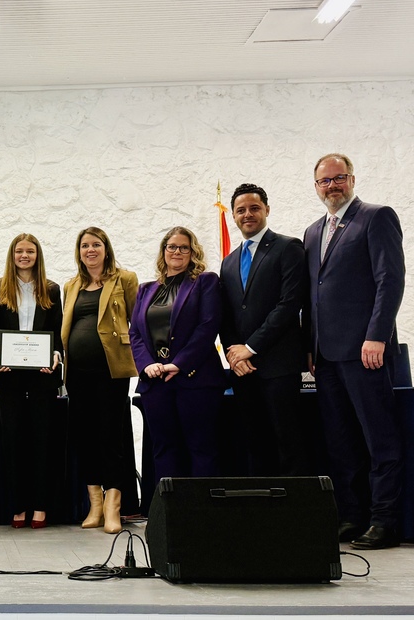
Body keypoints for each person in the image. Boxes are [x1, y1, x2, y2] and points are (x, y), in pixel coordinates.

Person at [303, 153, 405, 550]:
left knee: (379, 439)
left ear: (352, 179)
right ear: (316, 187)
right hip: (325, 357)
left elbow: (389, 280)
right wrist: (308, 348)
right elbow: (313, 296)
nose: (332, 185)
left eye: (339, 178)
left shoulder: (376, 217)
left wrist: (377, 335)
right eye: (325, 181)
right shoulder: (313, 232)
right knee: (341, 442)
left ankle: (384, 521)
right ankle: (352, 516)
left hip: (366, 352)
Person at [219, 183, 307, 477]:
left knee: (289, 444)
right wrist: (235, 355)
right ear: (233, 215)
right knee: (255, 444)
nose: (248, 214)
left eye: (254, 208)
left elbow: (288, 304)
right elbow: (227, 315)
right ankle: (262, 516)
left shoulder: (288, 247)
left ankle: (293, 516)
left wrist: (251, 347)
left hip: (278, 367)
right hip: (243, 371)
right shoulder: (228, 263)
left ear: (267, 210)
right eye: (241, 210)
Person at [130, 227, 225, 494]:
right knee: (164, 449)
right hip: (156, 382)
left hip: (195, 381)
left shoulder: (205, 282)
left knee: (201, 448)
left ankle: (203, 516)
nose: (177, 252)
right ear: (163, 252)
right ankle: (170, 517)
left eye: (184, 247)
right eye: (171, 247)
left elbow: (207, 327)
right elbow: (135, 332)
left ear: (193, 252)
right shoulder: (145, 289)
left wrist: (179, 363)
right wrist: (146, 364)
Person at [61, 227, 138, 534]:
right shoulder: (72, 285)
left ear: (106, 248)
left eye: (96, 245)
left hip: (111, 371)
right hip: (77, 372)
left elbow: (138, 322)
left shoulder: (125, 280)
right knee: (86, 437)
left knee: (111, 436)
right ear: (79, 252)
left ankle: (113, 506)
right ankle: (94, 503)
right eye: (84, 246)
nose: (90, 250)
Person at [0, 234, 63, 529]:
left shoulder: (52, 289)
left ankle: (41, 506)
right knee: (13, 440)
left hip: (43, 375)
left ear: (37, 255)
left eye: (30, 251)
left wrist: (56, 354)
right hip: (9, 374)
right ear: (12, 255)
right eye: (19, 251)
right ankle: (18, 505)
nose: (24, 256)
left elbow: (58, 330)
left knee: (42, 440)